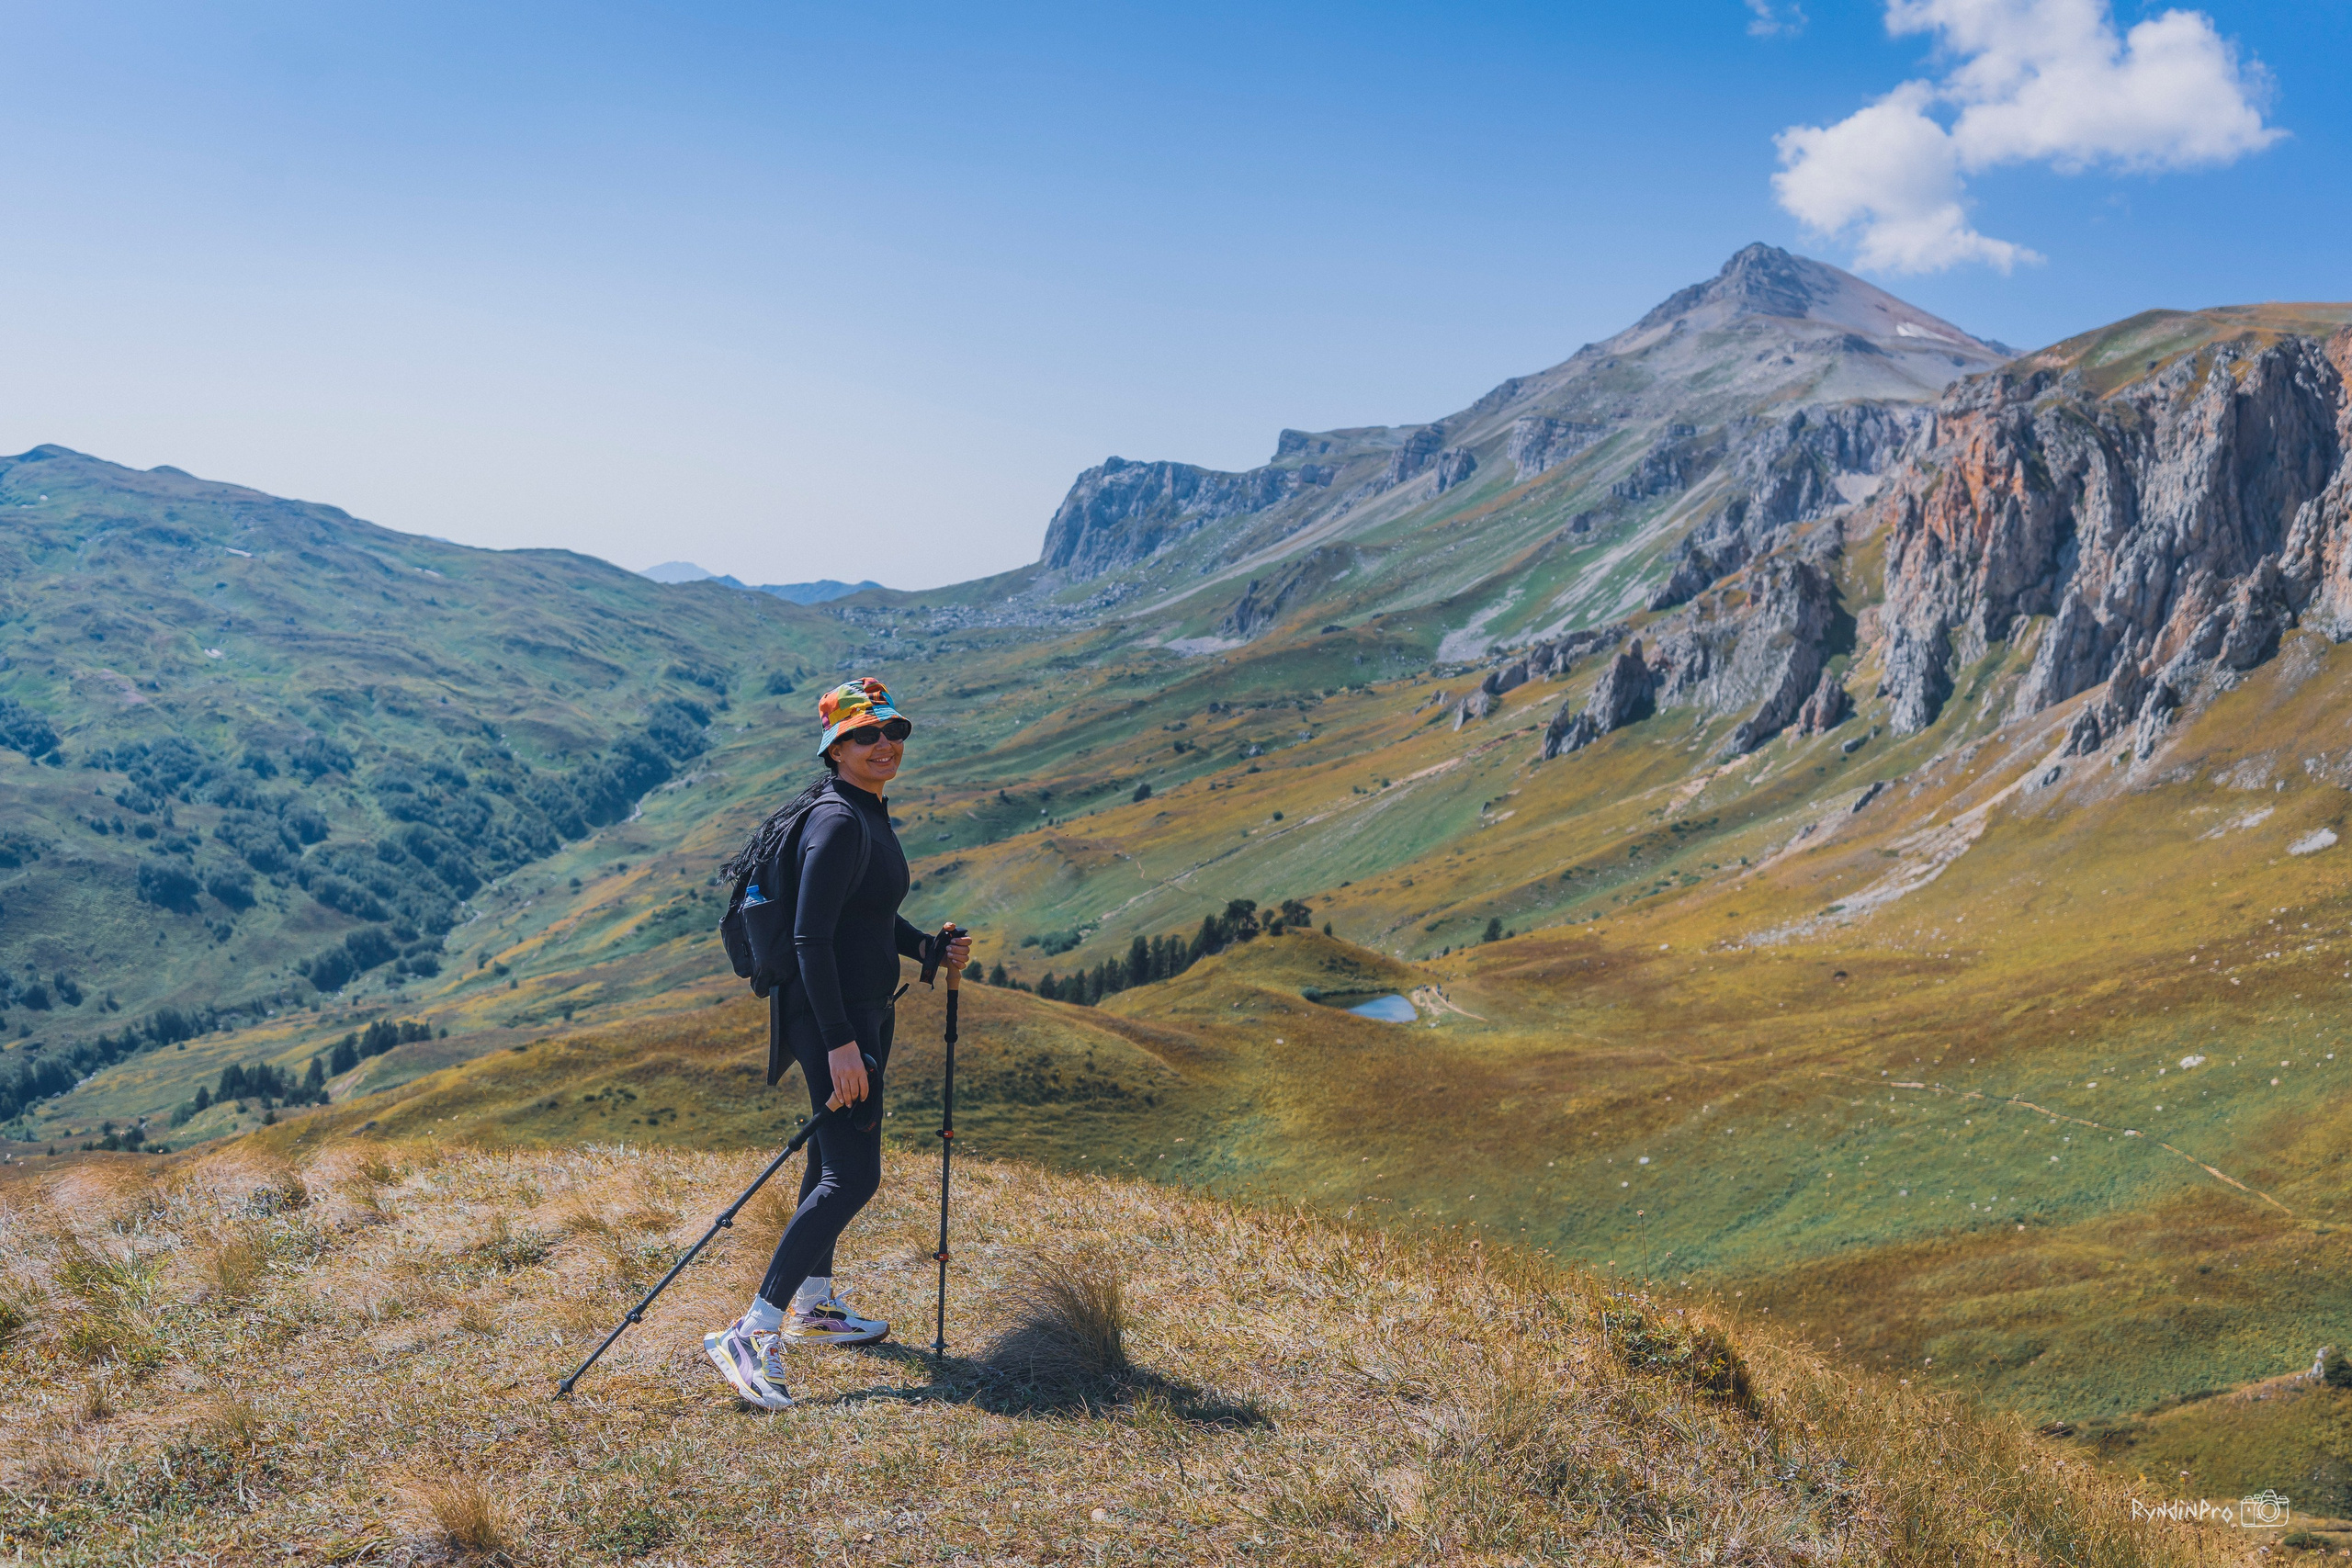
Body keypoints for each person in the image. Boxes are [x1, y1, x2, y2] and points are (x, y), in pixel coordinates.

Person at [704, 677, 971, 1410]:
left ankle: (816, 1307)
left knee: (828, 1159)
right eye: (865, 736)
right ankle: (752, 1330)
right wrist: (840, 1046)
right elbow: (810, 938)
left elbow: (866, 915)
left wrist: (926, 946)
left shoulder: (864, 811)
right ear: (836, 748)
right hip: (834, 1019)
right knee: (852, 1175)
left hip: (856, 1010)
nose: (885, 745)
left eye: (893, 732)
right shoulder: (839, 822)